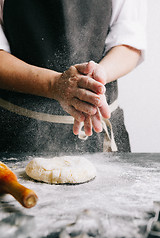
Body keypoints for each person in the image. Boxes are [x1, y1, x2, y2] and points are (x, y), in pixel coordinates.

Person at [0, 0, 147, 153]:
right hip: (18, 137)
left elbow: (130, 42)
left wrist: (95, 78)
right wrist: (54, 85)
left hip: (100, 136)